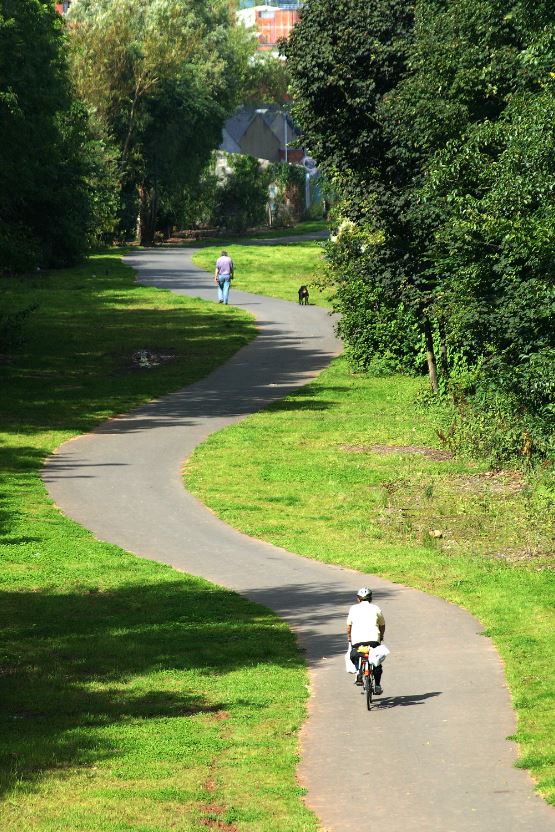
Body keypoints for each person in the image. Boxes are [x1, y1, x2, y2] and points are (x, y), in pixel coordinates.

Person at [347, 587, 386, 694]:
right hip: (374, 640)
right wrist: (381, 636)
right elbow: (382, 625)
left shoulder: (353, 609)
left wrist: (349, 637)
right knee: (377, 663)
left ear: (358, 599)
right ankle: (377, 685)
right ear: (371, 599)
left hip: (357, 641)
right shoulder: (376, 608)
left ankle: (359, 670)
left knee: (354, 655)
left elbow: (349, 626)